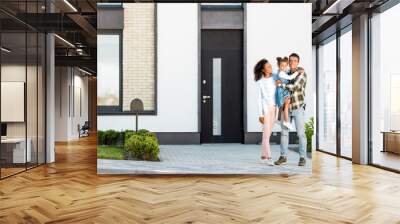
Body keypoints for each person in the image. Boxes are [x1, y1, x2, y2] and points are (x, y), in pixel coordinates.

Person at [274, 53, 307, 166]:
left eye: (295, 60)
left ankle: (302, 157)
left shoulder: (302, 74)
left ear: (298, 62)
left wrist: (281, 85)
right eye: (291, 60)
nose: (292, 62)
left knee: (301, 134)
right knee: (284, 133)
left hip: (298, 107)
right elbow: (278, 78)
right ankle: (283, 156)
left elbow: (295, 87)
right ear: (289, 62)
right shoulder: (285, 73)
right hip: (286, 107)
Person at [254, 59, 278, 166]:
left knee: (267, 134)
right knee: (266, 135)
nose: (270, 67)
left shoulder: (275, 78)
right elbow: (259, 99)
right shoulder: (260, 82)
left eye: (270, 66)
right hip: (266, 109)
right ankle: (269, 157)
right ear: (263, 70)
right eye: (268, 67)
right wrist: (261, 114)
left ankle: (262, 157)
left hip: (274, 108)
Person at [274, 57, 300, 129]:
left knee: (281, 107)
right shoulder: (282, 73)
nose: (284, 67)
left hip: (281, 90)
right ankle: (287, 121)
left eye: (285, 66)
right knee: (286, 105)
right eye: (282, 66)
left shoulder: (281, 71)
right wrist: (297, 72)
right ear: (279, 66)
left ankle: (278, 119)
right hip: (283, 91)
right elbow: (290, 78)